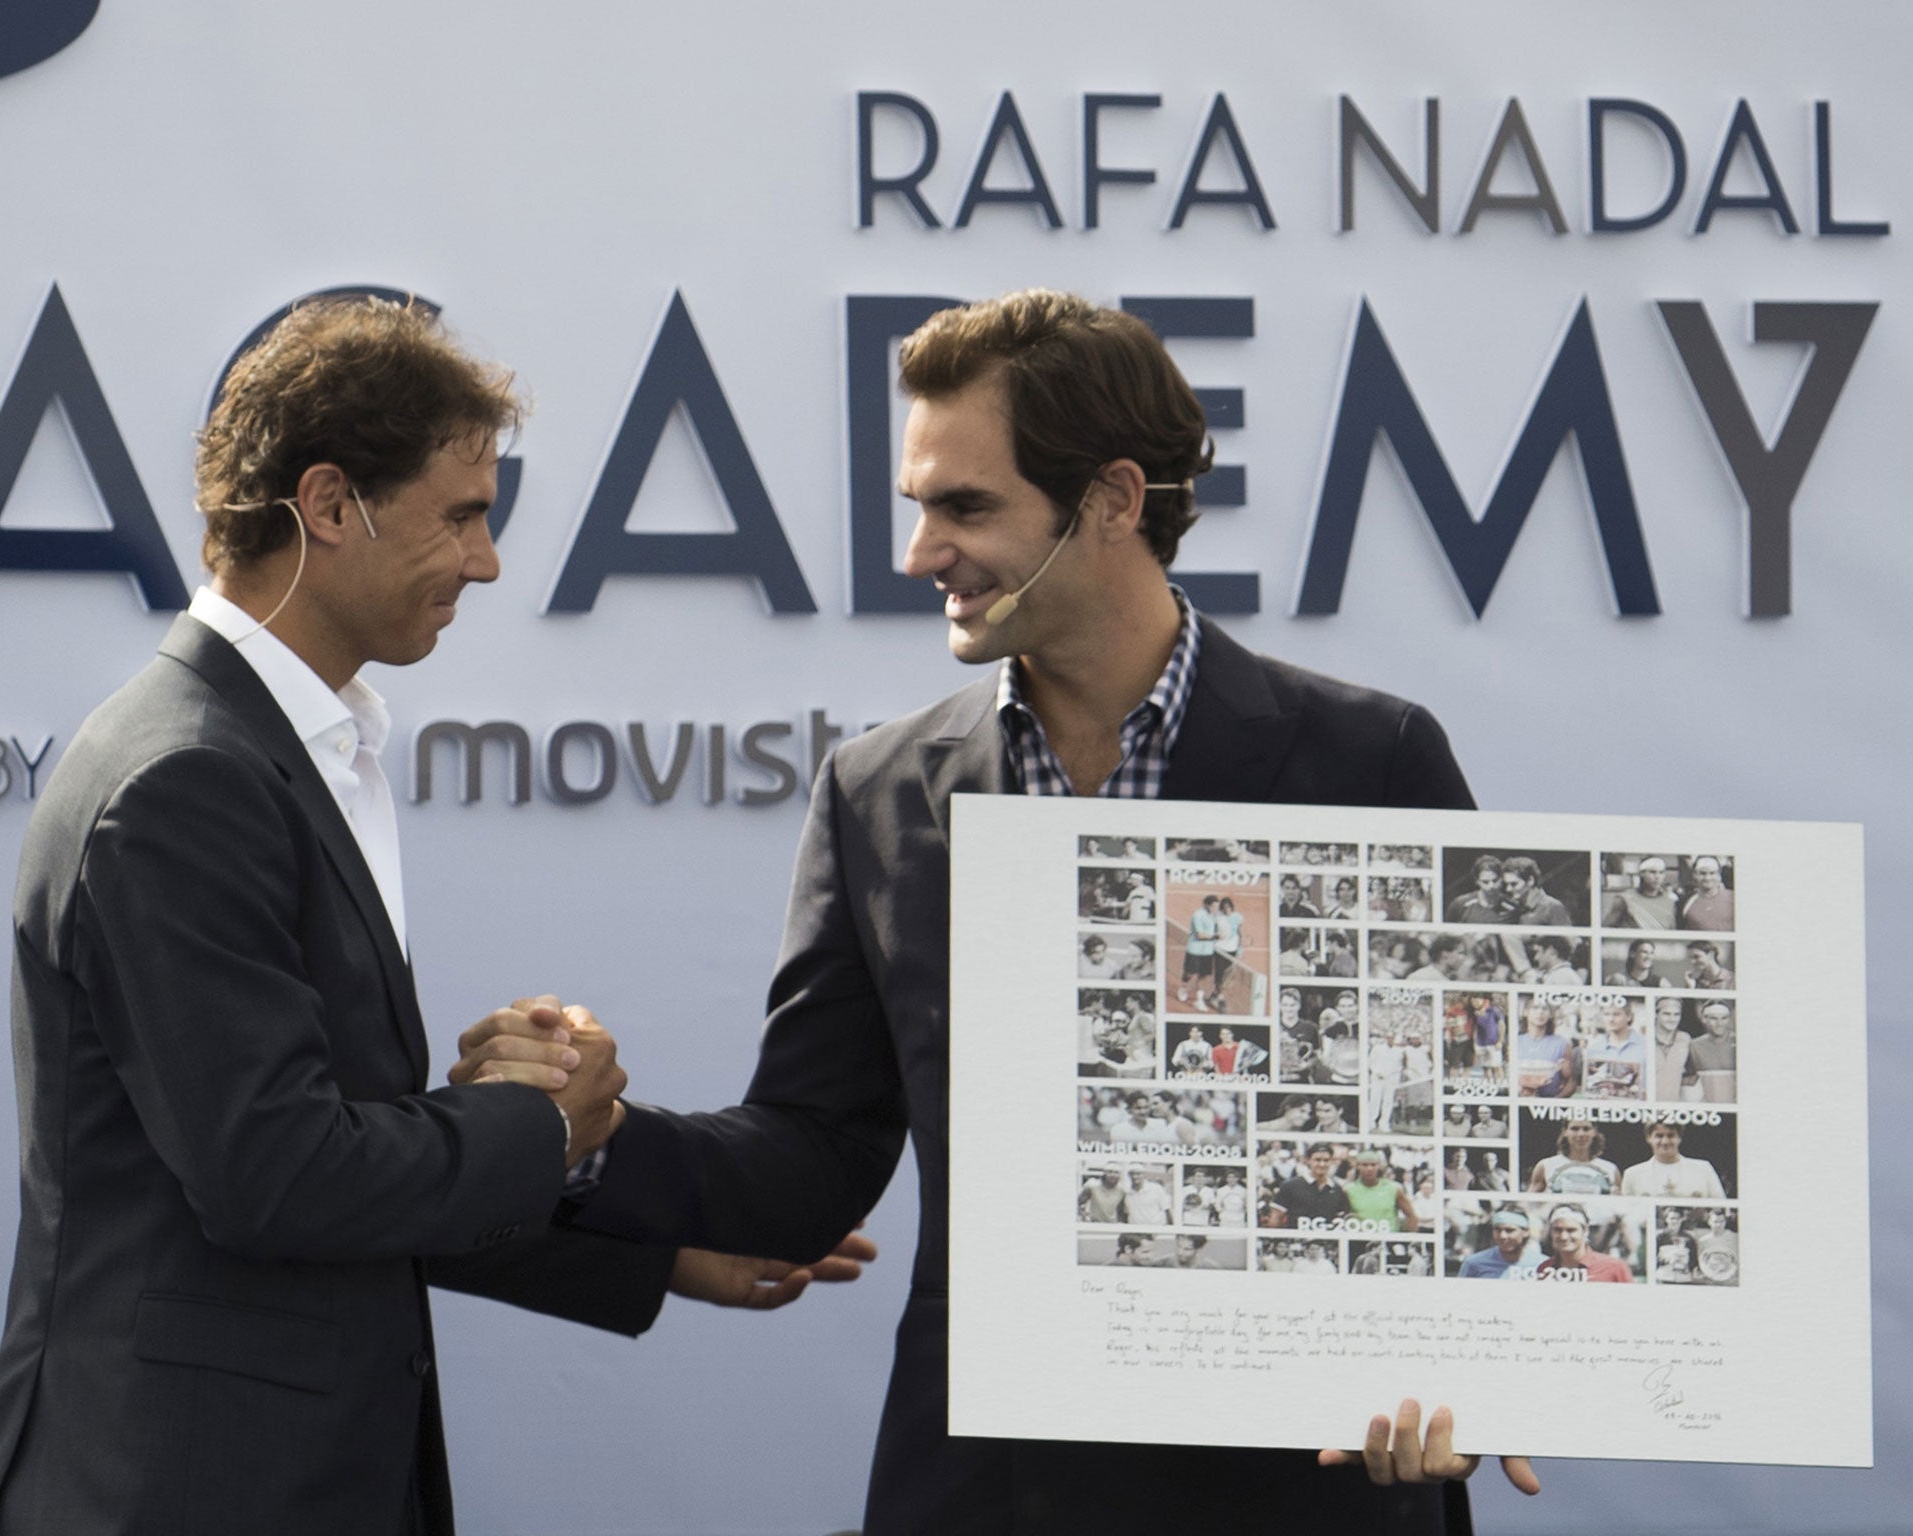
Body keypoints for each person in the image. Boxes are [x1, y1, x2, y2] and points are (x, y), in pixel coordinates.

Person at [539, 288, 1526, 1526]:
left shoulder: (1368, 760)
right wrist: (584, 1135)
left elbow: (1486, 1137)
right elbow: (810, 1155)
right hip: (997, 1492)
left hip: (1306, 1490)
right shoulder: (879, 790)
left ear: (1111, 499)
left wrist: (1467, 1377)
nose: (917, 554)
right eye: (917, 507)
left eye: (964, 506)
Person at [0, 300, 855, 1536]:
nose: (485, 562)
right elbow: (277, 1176)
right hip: (178, 1491)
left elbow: (337, 1167)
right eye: (463, 516)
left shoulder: (272, 754)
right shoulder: (187, 780)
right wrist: (540, 1126)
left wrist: (654, 1255)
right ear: (328, 507)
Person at [1619, 1120, 1727, 1198]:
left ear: (1679, 1138)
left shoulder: (1703, 1169)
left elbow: (1722, 1207)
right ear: (1648, 1138)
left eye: (1670, 1136)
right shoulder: (1632, 1174)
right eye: (1659, 1136)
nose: (1665, 1142)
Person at [1534, 1204, 1634, 1282]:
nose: (1563, 1237)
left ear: (1585, 1231)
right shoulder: (1544, 1268)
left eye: (1571, 1230)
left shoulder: (1614, 1267)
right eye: (1558, 1230)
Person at [1526, 1118, 1620, 1195]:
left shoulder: (1610, 1168)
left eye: (1586, 1129)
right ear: (1565, 1132)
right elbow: (1528, 1203)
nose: (1581, 1134)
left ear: (1594, 1132)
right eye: (1575, 1129)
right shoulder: (1546, 1165)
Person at [1273, 1145, 1353, 1230]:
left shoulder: (1337, 1189)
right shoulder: (1290, 1186)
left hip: (1327, 1241)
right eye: (1317, 1160)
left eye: (1326, 1160)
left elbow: (1341, 1219)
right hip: (1297, 1240)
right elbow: (1275, 1218)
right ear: (1308, 1161)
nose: (1322, 1164)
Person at [1582, 1001, 1647, 1099]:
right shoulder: (1594, 1049)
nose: (1611, 1019)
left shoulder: (1646, 1045)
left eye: (1616, 1014)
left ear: (1629, 1016)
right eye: (1606, 1014)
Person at [1515, 998, 1577, 1098]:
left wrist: (1554, 1103)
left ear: (1550, 1014)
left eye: (1544, 1009)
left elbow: (1571, 1082)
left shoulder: (1562, 1044)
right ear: (1526, 1012)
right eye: (1535, 1008)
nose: (1540, 1012)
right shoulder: (1515, 1042)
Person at [1343, 1150, 1418, 1232]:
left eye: (1373, 1165)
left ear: (1378, 1166)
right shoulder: (1348, 1190)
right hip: (1360, 1240)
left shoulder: (1394, 1189)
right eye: (1365, 1165)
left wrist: (1407, 1239)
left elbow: (1411, 1216)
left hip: (1388, 1240)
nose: (1369, 1168)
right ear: (1357, 1166)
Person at [1457, 1209, 1542, 1279]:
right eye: (1497, 1230)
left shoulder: (1542, 1263)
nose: (1502, 1236)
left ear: (1525, 1232)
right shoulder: (1474, 1263)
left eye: (1509, 1230)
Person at [1683, 1001, 1738, 1101]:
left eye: (1724, 1018)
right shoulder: (1694, 1046)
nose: (1719, 1023)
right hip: (1708, 1109)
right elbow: (1689, 1080)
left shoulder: (1740, 1043)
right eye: (1714, 1018)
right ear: (1704, 1019)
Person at [1604, 857, 1679, 930]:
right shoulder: (1625, 899)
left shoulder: (1671, 900)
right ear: (1642, 874)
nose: (1657, 877)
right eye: (1652, 872)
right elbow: (1606, 928)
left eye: (1661, 872)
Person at [1501, 857, 1573, 926]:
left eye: (1513, 884)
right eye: (1506, 884)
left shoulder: (1551, 907)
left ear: (1530, 880)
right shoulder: (1516, 909)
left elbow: (1571, 938)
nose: (1508, 889)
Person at [1177, 894, 1220, 1005]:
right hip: (1195, 950)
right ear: (1206, 905)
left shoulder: (1214, 916)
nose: (1215, 909)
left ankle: (1199, 1000)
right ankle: (1183, 987)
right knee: (1189, 973)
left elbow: (1214, 930)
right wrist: (1215, 936)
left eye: (1217, 907)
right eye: (1213, 906)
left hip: (1208, 951)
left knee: (1204, 975)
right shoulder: (1198, 915)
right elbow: (1200, 935)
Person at [1678, 855, 1735, 931]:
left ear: (1719, 875)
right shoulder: (1685, 902)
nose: (1707, 878)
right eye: (1703, 873)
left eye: (1712, 873)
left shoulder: (1733, 897)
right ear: (1695, 875)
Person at [1445, 856, 1507, 924]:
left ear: (1502, 878)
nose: (1491, 886)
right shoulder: (1460, 904)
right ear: (1477, 881)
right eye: (1485, 882)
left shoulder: (1512, 907)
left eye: (1495, 881)